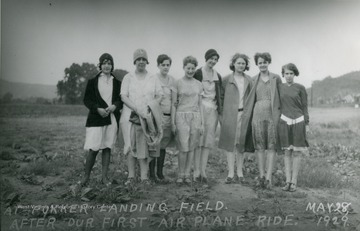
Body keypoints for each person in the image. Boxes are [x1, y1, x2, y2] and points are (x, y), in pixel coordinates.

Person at [120, 49, 163, 185]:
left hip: (147, 116)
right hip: (131, 116)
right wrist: (136, 108)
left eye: (144, 59)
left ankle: (144, 177)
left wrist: (150, 108)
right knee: (131, 145)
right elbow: (123, 96)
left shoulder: (153, 77)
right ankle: (131, 176)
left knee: (145, 146)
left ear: (147, 61)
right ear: (134, 61)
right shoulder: (128, 77)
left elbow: (159, 95)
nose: (141, 62)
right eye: (138, 59)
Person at [81, 53, 122, 187]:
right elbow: (87, 100)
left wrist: (114, 106)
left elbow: (120, 100)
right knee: (93, 148)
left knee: (107, 147)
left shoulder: (117, 82)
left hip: (111, 119)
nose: (107, 66)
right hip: (96, 119)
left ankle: (104, 178)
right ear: (100, 65)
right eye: (104, 63)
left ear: (112, 66)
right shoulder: (93, 82)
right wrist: (97, 109)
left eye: (109, 63)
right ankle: (86, 177)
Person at [218, 53, 254, 184]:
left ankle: (240, 172)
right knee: (230, 144)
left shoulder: (249, 80)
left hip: (244, 115)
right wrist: (221, 115)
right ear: (233, 64)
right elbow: (220, 98)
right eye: (238, 63)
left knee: (241, 144)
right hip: (230, 115)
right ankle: (230, 172)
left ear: (246, 65)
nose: (241, 65)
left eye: (243, 63)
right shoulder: (226, 79)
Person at [250, 52, 281, 189]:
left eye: (265, 62)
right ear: (257, 64)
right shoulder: (253, 80)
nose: (262, 64)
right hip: (257, 115)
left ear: (269, 62)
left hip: (272, 115)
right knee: (260, 147)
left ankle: (269, 177)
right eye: (260, 62)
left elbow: (281, 97)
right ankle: (261, 176)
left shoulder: (276, 78)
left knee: (272, 146)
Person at [172, 56, 204, 184]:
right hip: (181, 116)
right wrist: (173, 122)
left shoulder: (199, 84)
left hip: (195, 116)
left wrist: (202, 123)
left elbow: (200, 104)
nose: (190, 70)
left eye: (193, 68)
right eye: (188, 68)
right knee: (183, 146)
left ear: (195, 69)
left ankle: (187, 174)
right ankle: (180, 174)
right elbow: (174, 103)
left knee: (192, 147)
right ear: (184, 67)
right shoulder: (177, 83)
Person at [278, 63, 309, 192]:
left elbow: (305, 106)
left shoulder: (300, 88)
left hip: (298, 121)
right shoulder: (279, 87)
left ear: (294, 74)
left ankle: (294, 182)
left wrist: (306, 123)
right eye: (286, 73)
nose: (289, 76)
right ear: (283, 75)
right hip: (285, 121)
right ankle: (287, 181)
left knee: (296, 152)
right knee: (286, 152)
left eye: (291, 73)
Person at [193, 49, 222, 183]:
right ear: (206, 58)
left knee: (207, 142)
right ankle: (196, 170)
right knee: (198, 140)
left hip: (213, 110)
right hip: (200, 108)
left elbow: (219, 96)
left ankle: (203, 171)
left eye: (216, 59)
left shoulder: (218, 76)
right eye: (211, 58)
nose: (213, 61)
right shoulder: (198, 73)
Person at [148, 54, 176, 183]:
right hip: (156, 116)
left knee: (163, 145)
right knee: (155, 145)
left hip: (168, 116)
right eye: (163, 65)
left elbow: (174, 101)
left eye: (167, 65)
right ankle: (151, 174)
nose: (165, 67)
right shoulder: (153, 79)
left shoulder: (172, 81)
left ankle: (160, 173)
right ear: (158, 65)